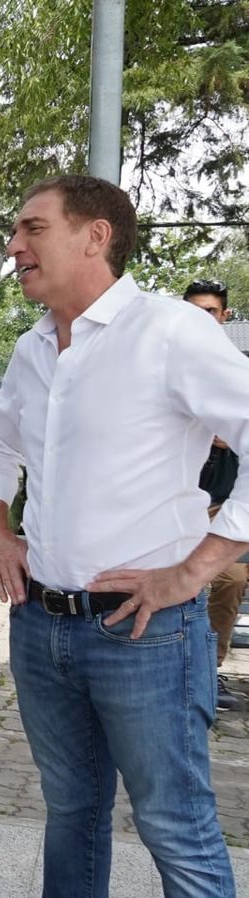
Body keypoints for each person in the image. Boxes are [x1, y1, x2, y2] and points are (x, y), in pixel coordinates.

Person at [0, 175, 244, 898]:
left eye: (32, 228)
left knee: (177, 830)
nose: (15, 246)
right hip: (41, 624)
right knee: (72, 808)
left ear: (96, 236)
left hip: (145, 632)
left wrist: (196, 566)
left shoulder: (168, 331)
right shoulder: (31, 349)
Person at [186, 278, 246, 712]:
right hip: (176, 505)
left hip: (223, 507)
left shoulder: (235, 370)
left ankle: (210, 668)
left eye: (210, 311)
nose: (202, 319)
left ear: (224, 316)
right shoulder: (168, 363)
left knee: (229, 578)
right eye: (194, 310)